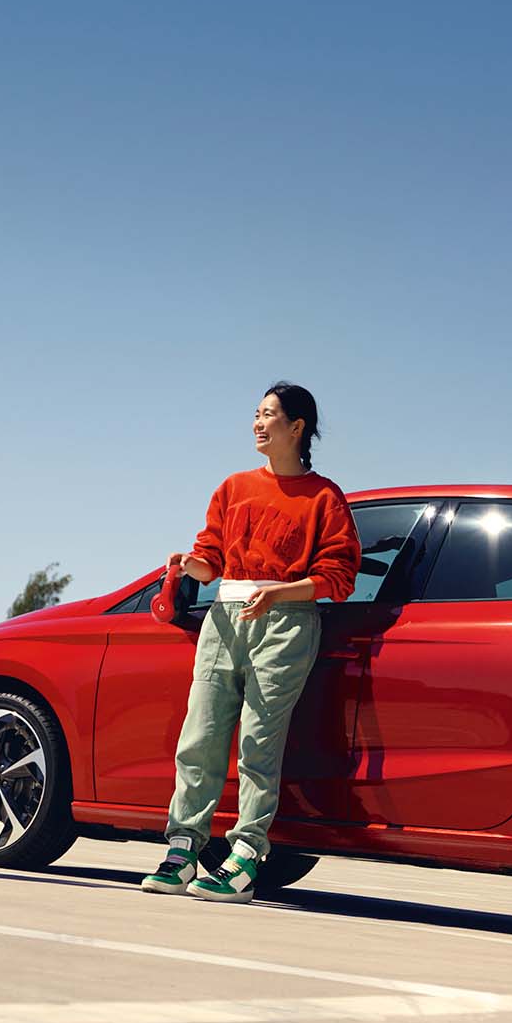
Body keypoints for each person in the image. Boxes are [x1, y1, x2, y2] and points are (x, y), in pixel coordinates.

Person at [139, 383, 360, 903]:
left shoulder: (325, 497)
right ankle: (181, 851)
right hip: (225, 617)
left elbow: (339, 575)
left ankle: (243, 859)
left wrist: (281, 591)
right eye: (256, 415)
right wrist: (190, 567)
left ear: (297, 427)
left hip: (286, 621)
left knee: (259, 746)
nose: (258, 424)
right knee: (200, 736)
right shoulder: (233, 487)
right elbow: (212, 558)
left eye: (269, 415)